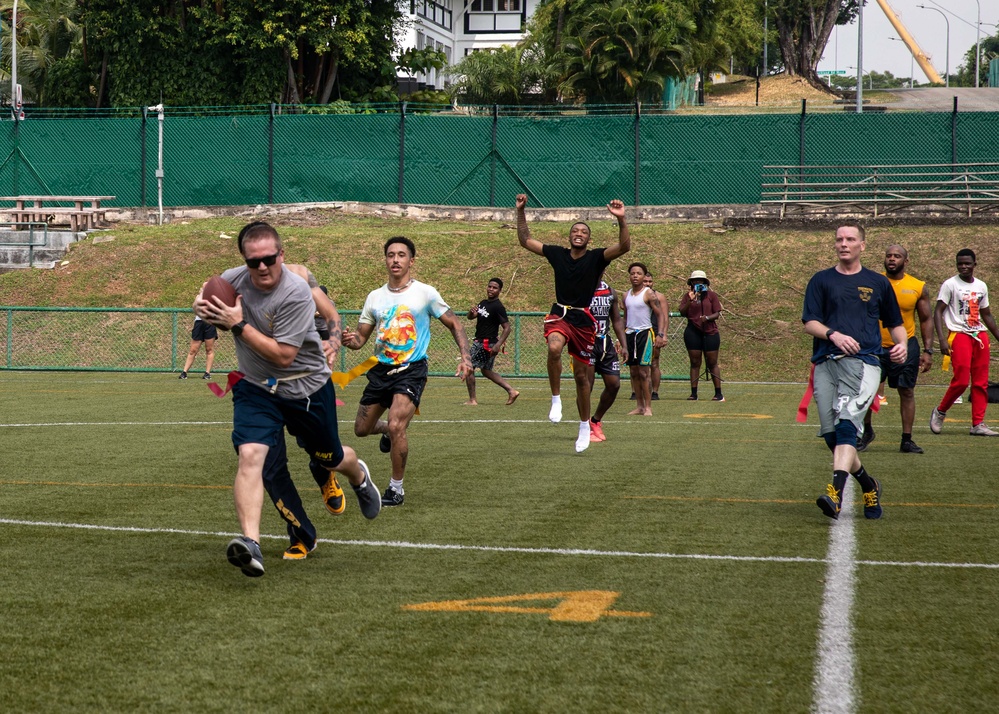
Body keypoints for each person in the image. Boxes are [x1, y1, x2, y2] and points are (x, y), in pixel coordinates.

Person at [195, 221, 380, 577]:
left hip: (305, 388)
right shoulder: (233, 278)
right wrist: (203, 306)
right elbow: (207, 302)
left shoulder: (296, 290)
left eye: (268, 259)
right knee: (252, 455)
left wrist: (237, 325)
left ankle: (358, 477)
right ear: (244, 261)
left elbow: (283, 356)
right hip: (255, 388)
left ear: (281, 254)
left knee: (331, 456)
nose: (262, 267)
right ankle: (251, 543)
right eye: (253, 262)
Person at [343, 236, 473, 507]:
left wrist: (465, 358)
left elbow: (454, 323)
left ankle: (396, 489)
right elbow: (359, 340)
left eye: (401, 255)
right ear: (385, 260)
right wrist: (349, 340)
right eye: (391, 255)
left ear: (411, 261)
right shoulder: (375, 297)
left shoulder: (425, 293)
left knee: (397, 423)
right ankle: (387, 434)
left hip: (411, 370)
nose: (395, 260)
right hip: (381, 370)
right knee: (360, 429)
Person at [802, 221, 906, 521]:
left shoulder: (878, 282)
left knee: (848, 425)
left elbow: (894, 323)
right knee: (832, 437)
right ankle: (868, 484)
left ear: (862, 245)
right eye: (839, 239)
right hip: (825, 362)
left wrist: (900, 345)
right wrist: (833, 334)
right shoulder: (821, 280)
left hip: (864, 362)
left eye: (850, 239)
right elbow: (810, 322)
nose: (843, 244)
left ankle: (834, 493)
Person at [515, 193, 631, 452]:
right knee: (554, 348)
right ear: (570, 236)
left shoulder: (596, 257)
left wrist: (622, 220)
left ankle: (583, 427)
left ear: (589, 239)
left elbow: (624, 248)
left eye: (584, 231)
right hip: (560, 314)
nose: (579, 233)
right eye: (575, 230)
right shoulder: (557, 254)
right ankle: (555, 399)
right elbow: (525, 240)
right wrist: (521, 211)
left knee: (582, 379)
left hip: (584, 320)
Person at [858, 245, 934, 454]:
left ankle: (907, 439)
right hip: (874, 345)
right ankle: (866, 432)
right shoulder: (872, 282)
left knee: (906, 391)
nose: (892, 259)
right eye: (888, 255)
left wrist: (928, 351)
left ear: (905, 261)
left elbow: (926, 319)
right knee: (866, 391)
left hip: (905, 344)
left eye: (897, 256)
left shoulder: (917, 286)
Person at [930, 249, 999, 437]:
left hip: (980, 336)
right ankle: (940, 411)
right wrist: (942, 338)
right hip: (959, 334)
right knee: (960, 381)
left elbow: (987, 315)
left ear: (974, 264)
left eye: (967, 263)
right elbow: (937, 311)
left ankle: (978, 423)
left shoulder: (981, 286)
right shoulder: (950, 284)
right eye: (960, 263)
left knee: (980, 382)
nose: (964, 267)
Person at [464, 277, 519, 406]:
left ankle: (472, 400)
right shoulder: (483, 303)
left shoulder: (498, 306)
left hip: (486, 343)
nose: (491, 289)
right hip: (483, 342)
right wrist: (471, 313)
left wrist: (498, 345)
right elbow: (470, 317)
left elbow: (507, 328)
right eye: (490, 286)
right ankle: (511, 391)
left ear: (500, 291)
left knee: (468, 366)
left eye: (495, 288)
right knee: (486, 371)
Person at [622, 263, 667, 416]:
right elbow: (625, 318)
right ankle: (639, 406)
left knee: (644, 372)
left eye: (639, 273)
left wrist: (660, 334)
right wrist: (620, 338)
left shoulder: (649, 294)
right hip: (630, 334)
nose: (635, 276)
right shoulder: (626, 295)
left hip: (644, 334)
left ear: (644, 276)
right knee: (633, 372)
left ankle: (648, 407)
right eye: (632, 273)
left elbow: (660, 314)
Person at [586, 279, 629, 442]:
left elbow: (616, 319)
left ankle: (595, 420)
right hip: (586, 342)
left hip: (605, 343)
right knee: (586, 387)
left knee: (614, 384)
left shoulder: (609, 291)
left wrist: (624, 345)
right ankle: (584, 427)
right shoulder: (581, 287)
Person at [678, 270, 724, 402]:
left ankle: (718, 393)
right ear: (691, 282)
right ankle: (694, 393)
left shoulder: (711, 295)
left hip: (710, 331)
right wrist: (690, 301)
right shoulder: (688, 296)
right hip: (693, 331)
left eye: (700, 281)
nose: (698, 283)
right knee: (695, 362)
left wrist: (708, 318)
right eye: (695, 280)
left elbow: (717, 313)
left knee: (712, 362)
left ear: (705, 282)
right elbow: (682, 312)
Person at [644, 272, 663, 400]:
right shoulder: (631, 295)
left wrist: (662, 334)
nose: (648, 284)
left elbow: (663, 316)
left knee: (654, 363)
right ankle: (636, 392)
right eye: (645, 281)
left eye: (650, 281)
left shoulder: (658, 297)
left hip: (653, 332)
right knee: (635, 366)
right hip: (637, 332)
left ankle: (654, 392)